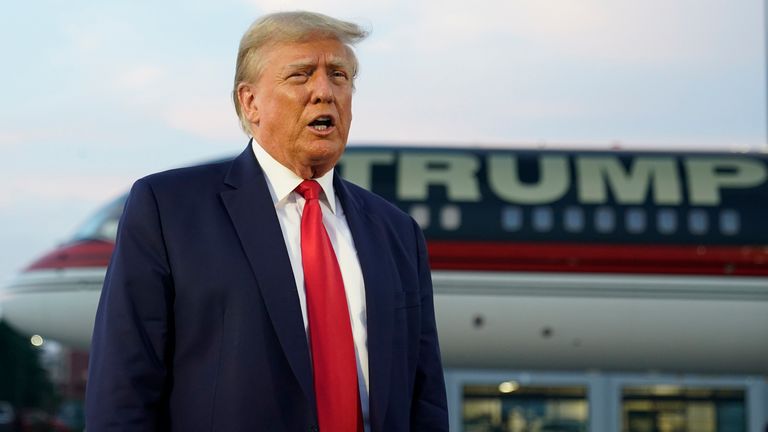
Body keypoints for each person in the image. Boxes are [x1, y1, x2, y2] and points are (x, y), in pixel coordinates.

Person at [85, 11, 448, 432]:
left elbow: (426, 401)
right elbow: (123, 390)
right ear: (250, 101)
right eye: (300, 76)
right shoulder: (167, 209)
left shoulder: (397, 233)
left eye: (339, 75)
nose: (324, 92)